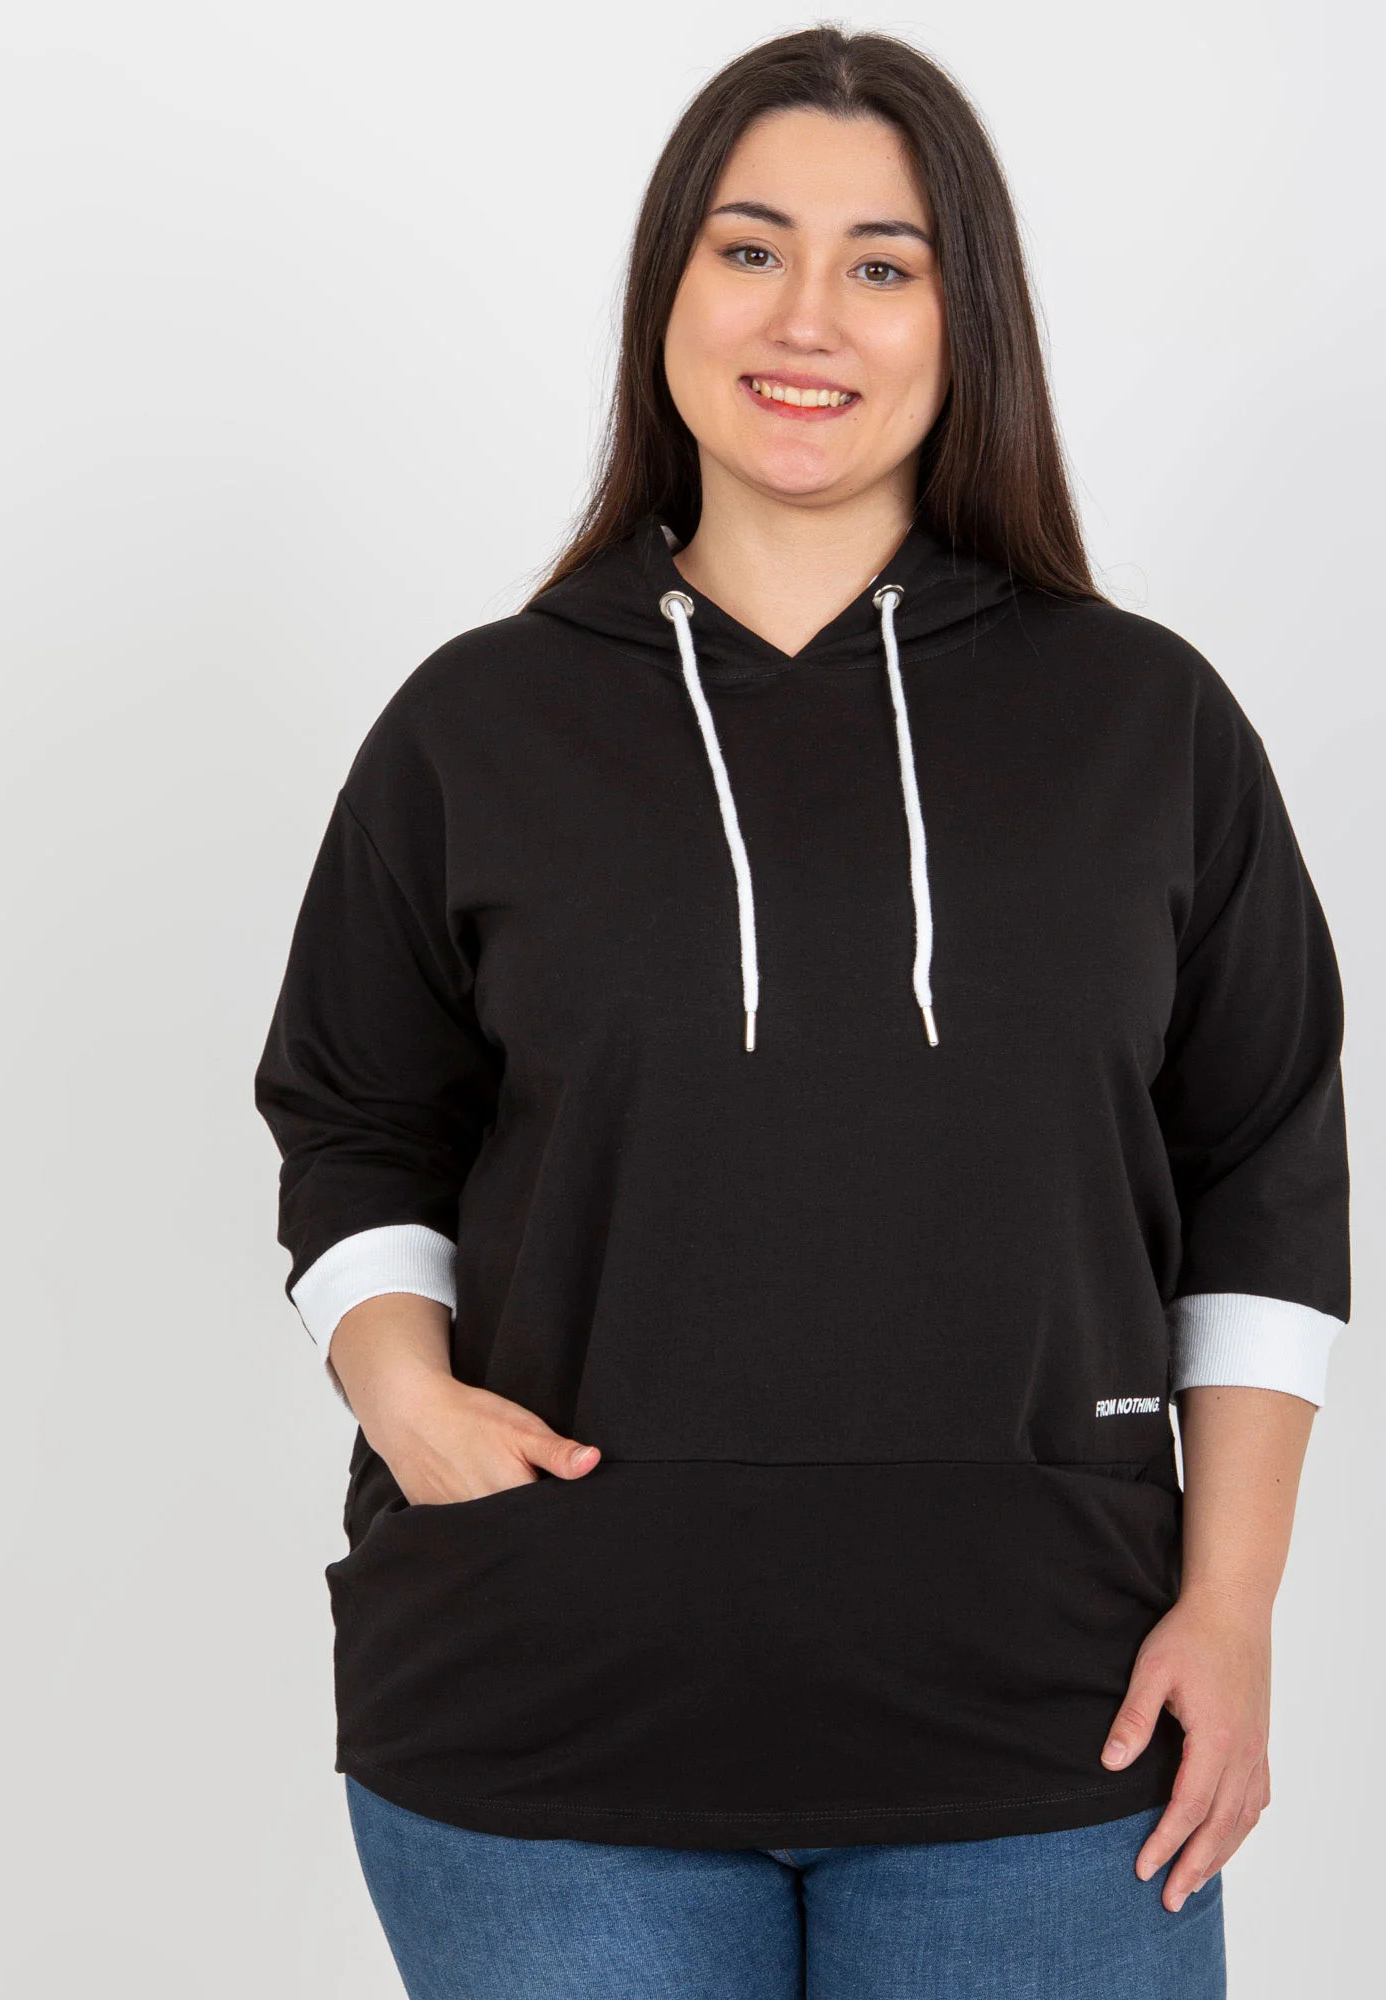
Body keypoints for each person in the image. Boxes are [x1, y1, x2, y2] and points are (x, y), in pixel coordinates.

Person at [253, 25, 1349, 1999]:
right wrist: (403, 1395)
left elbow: (1264, 1163)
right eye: (751, 249)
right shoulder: (477, 725)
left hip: (1056, 1725)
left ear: (963, 319)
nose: (807, 319)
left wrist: (1238, 1606)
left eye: (883, 263)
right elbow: (352, 1117)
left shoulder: (1145, 723)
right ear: (668, 290)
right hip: (545, 1729)